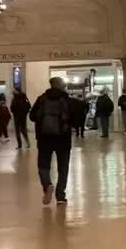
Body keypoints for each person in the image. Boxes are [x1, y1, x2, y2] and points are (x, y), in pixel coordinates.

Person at [30, 77, 73, 205]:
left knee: (43, 166)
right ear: (61, 86)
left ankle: (47, 185)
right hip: (63, 139)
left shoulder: (41, 99)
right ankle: (60, 196)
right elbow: (74, 117)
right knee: (63, 167)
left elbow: (32, 116)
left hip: (44, 139)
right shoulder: (67, 100)